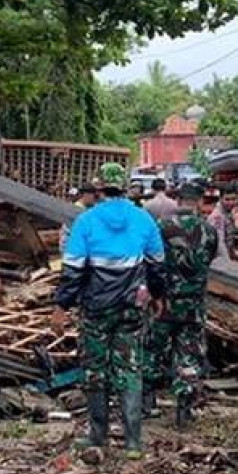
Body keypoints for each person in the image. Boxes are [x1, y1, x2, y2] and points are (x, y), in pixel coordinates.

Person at [51, 162, 166, 457]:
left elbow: (73, 270)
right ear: (127, 186)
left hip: (96, 309)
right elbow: (157, 265)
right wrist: (158, 295)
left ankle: (98, 436)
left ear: (99, 187)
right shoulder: (144, 220)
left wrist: (61, 307)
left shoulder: (86, 222)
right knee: (130, 369)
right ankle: (132, 442)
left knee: (95, 371)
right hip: (131, 309)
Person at [146, 183, 219, 428]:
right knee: (189, 354)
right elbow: (207, 262)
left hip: (163, 303)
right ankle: (184, 407)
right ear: (198, 201)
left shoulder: (161, 228)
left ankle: (148, 401)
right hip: (193, 304)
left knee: (154, 350)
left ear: (177, 200)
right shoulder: (209, 230)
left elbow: (152, 263)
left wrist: (155, 294)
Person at [59, 183, 100, 253]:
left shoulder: (88, 208)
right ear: (85, 195)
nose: (95, 199)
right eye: (94, 196)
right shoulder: (76, 210)